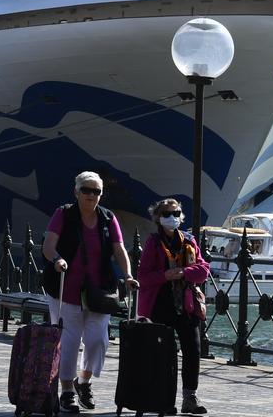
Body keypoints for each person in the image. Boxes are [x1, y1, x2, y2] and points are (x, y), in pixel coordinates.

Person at [42, 171, 139, 413]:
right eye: (86, 190)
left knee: (98, 341)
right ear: (76, 192)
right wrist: (57, 259)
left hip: (98, 291)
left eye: (96, 191)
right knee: (70, 340)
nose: (91, 195)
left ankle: (83, 381)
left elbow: (119, 249)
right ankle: (66, 391)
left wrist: (127, 275)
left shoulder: (108, 218)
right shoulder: (63, 214)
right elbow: (48, 245)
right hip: (66, 290)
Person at [137, 199, 211, 415]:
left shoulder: (189, 240)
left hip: (186, 304)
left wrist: (184, 272)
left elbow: (203, 269)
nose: (172, 217)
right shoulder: (153, 243)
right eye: (167, 213)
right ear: (158, 218)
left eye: (176, 213)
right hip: (161, 303)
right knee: (165, 354)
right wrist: (165, 275)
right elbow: (144, 277)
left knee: (193, 349)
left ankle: (190, 397)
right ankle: (165, 399)